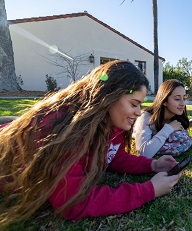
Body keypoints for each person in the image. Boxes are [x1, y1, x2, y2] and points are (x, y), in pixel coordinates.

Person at [0, 60, 182, 227]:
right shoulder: (67, 129)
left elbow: (114, 157)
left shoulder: (110, 123)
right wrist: (148, 190)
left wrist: (153, 164)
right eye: (134, 104)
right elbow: (72, 202)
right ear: (108, 96)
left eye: (140, 105)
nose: (138, 112)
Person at [133, 79, 192, 158]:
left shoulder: (177, 116)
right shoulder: (145, 118)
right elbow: (144, 153)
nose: (183, 103)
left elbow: (187, 138)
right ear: (164, 101)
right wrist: (169, 128)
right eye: (177, 99)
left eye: (184, 98)